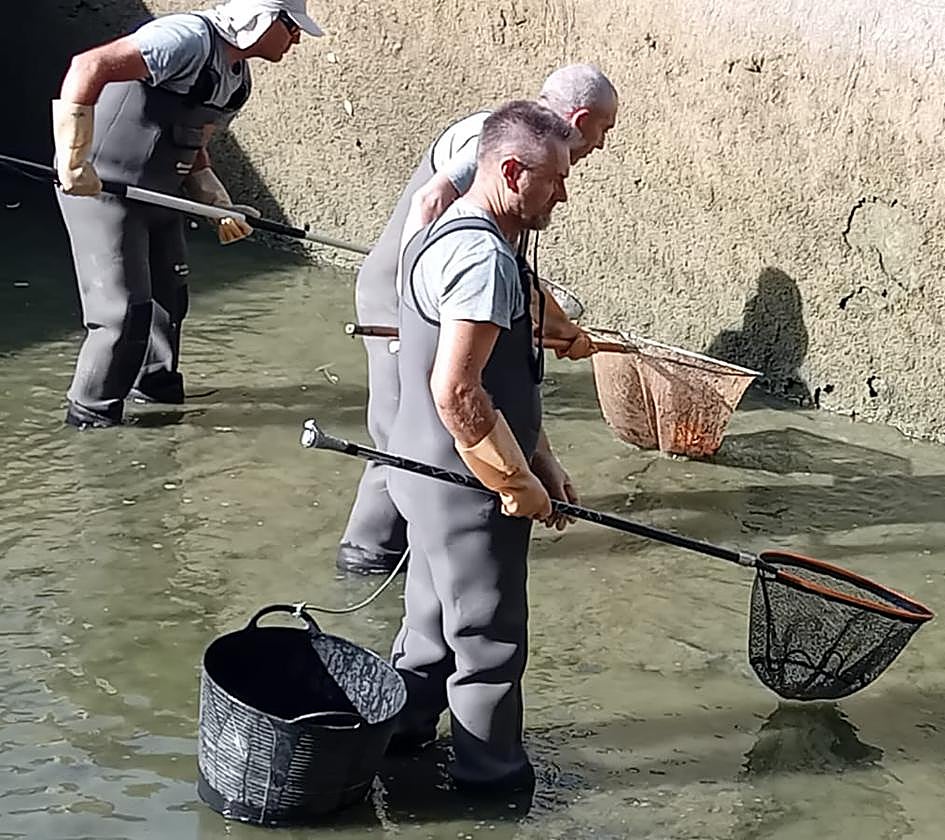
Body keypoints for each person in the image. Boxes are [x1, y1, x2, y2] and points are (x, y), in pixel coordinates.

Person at [335, 63, 618, 576]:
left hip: (439, 294)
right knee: (409, 427)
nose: (601, 144)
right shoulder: (497, 144)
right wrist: (419, 309)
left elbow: (513, 269)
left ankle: (429, 557)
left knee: (450, 417)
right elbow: (429, 203)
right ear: (580, 119)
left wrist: (557, 326)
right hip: (404, 297)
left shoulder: (531, 160)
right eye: (605, 129)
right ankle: (369, 551)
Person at [384, 100, 577, 793]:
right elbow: (459, 392)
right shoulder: (484, 259)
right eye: (555, 179)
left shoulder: (446, 228)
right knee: (489, 644)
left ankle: (393, 745)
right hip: (464, 488)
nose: (563, 195)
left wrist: (542, 459)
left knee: (430, 634)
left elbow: (505, 376)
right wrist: (514, 482)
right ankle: (492, 785)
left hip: (418, 471)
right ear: (512, 171)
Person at [51, 0, 323, 429]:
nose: (296, 40)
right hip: (103, 189)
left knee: (170, 302)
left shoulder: (236, 80)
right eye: (292, 28)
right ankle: (91, 418)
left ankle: (154, 398)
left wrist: (215, 201)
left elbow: (193, 140)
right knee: (123, 313)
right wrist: (73, 159)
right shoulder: (186, 39)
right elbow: (89, 66)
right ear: (263, 19)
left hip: (163, 194)